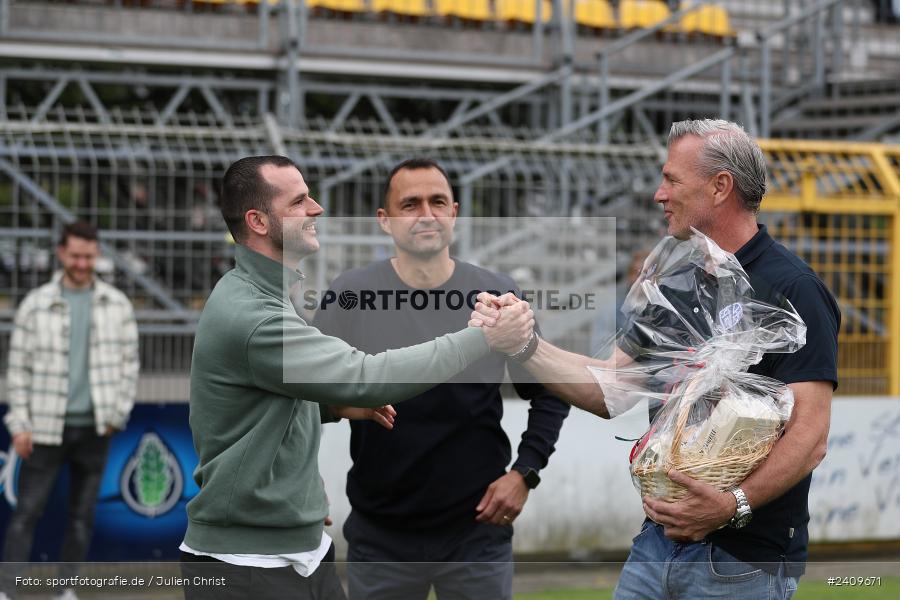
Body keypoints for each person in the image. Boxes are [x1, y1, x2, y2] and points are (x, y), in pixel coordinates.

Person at [471, 119, 840, 599]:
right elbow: (611, 388)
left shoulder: (794, 288)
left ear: (719, 187)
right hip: (657, 544)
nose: (658, 194)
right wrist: (524, 343)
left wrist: (732, 505)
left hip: (743, 561)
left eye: (671, 179)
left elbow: (810, 435)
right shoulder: (674, 286)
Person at [179, 155, 534, 600]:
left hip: (301, 551)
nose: (317, 209)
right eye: (299, 201)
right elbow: (364, 375)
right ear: (258, 221)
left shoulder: (265, 295)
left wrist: (329, 409)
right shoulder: (253, 314)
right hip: (249, 565)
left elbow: (279, 399)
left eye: (439, 201)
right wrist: (482, 336)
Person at [312, 158, 570, 600]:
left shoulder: (497, 297)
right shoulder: (350, 296)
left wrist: (525, 472)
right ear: (385, 221)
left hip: (476, 530)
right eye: (409, 204)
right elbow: (304, 398)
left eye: (437, 202)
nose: (426, 214)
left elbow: (550, 389)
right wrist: (302, 483)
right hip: (381, 532)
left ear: (454, 213)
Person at [1, 221, 139, 600]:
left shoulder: (118, 305)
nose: (82, 263)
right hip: (43, 429)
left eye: (89, 256)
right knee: (26, 514)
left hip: (96, 429)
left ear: (98, 256)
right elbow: (17, 371)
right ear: (61, 252)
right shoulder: (35, 304)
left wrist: (117, 415)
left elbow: (130, 366)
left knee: (81, 519)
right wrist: (20, 425)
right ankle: (8, 591)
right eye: (76, 255)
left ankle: (66, 590)